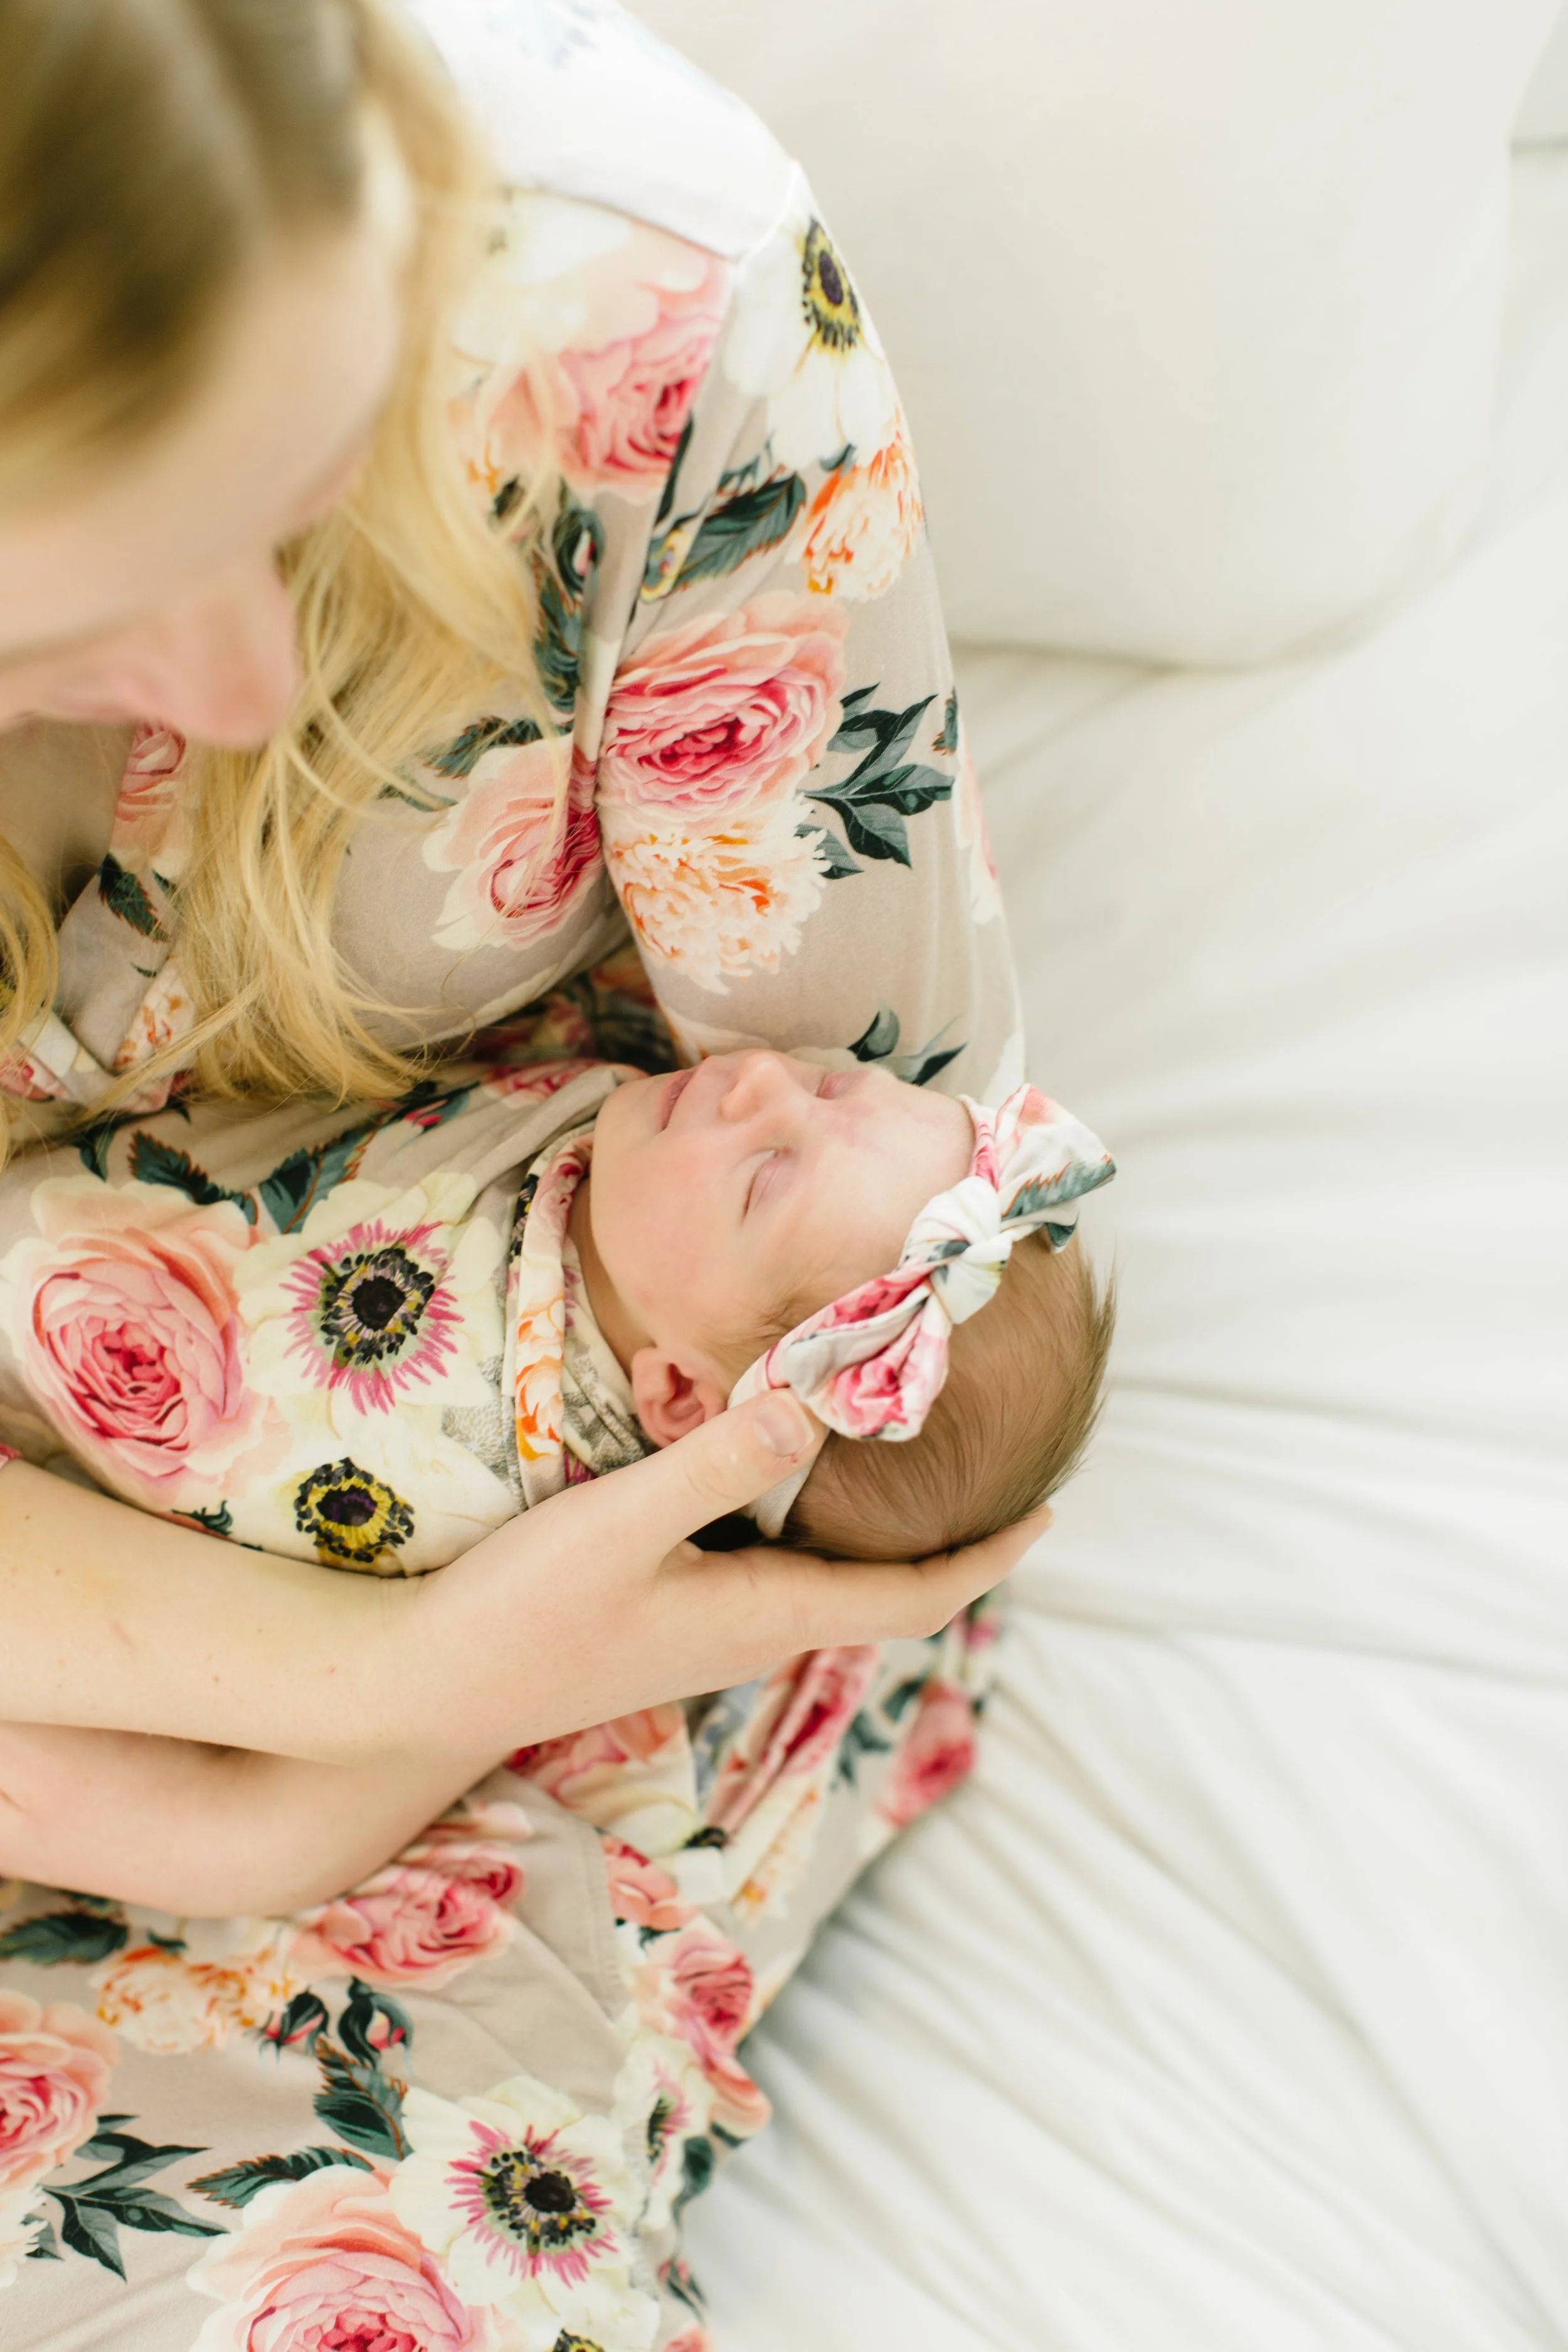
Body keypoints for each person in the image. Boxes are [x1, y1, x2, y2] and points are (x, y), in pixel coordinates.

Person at [0, 2, 1061, 2343]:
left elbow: (900, 1257)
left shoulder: (646, 317)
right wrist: (310, 1734)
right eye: (82, 608)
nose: (261, 689)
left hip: (566, 1580)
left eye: (291, 489)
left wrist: (408, 1714)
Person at [0, 1042, 1116, 1910]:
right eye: (832, 1086)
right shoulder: (630, 1199)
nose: (761, 1078)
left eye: (765, 1175)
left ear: (680, 1397)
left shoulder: (518, 1504)